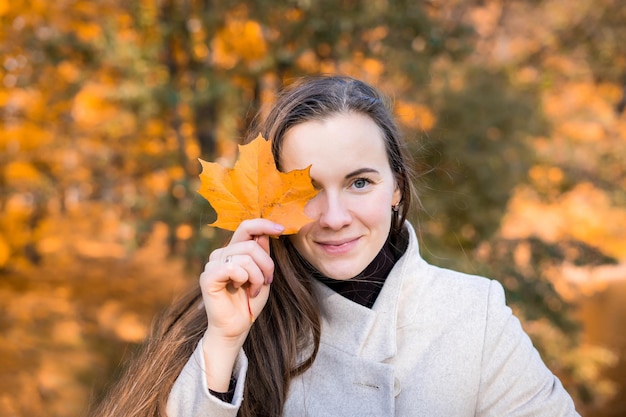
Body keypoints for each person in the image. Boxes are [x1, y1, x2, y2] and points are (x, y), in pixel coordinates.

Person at [90, 75, 580, 417]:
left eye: (360, 183)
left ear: (397, 189)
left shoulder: (475, 312)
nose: (334, 217)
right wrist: (224, 340)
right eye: (306, 191)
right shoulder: (237, 319)